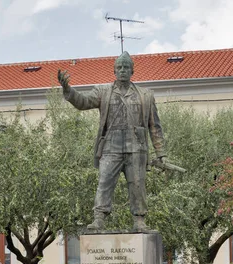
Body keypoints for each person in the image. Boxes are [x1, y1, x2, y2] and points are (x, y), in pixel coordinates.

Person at [58, 51, 166, 232]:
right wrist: (68, 90)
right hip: (111, 146)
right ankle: (99, 218)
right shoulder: (103, 91)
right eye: (119, 67)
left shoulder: (145, 95)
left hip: (136, 147)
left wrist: (161, 152)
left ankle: (139, 220)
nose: (123, 70)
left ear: (133, 70)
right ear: (114, 70)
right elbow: (83, 102)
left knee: (138, 185)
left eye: (126, 67)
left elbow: (155, 126)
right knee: (104, 182)